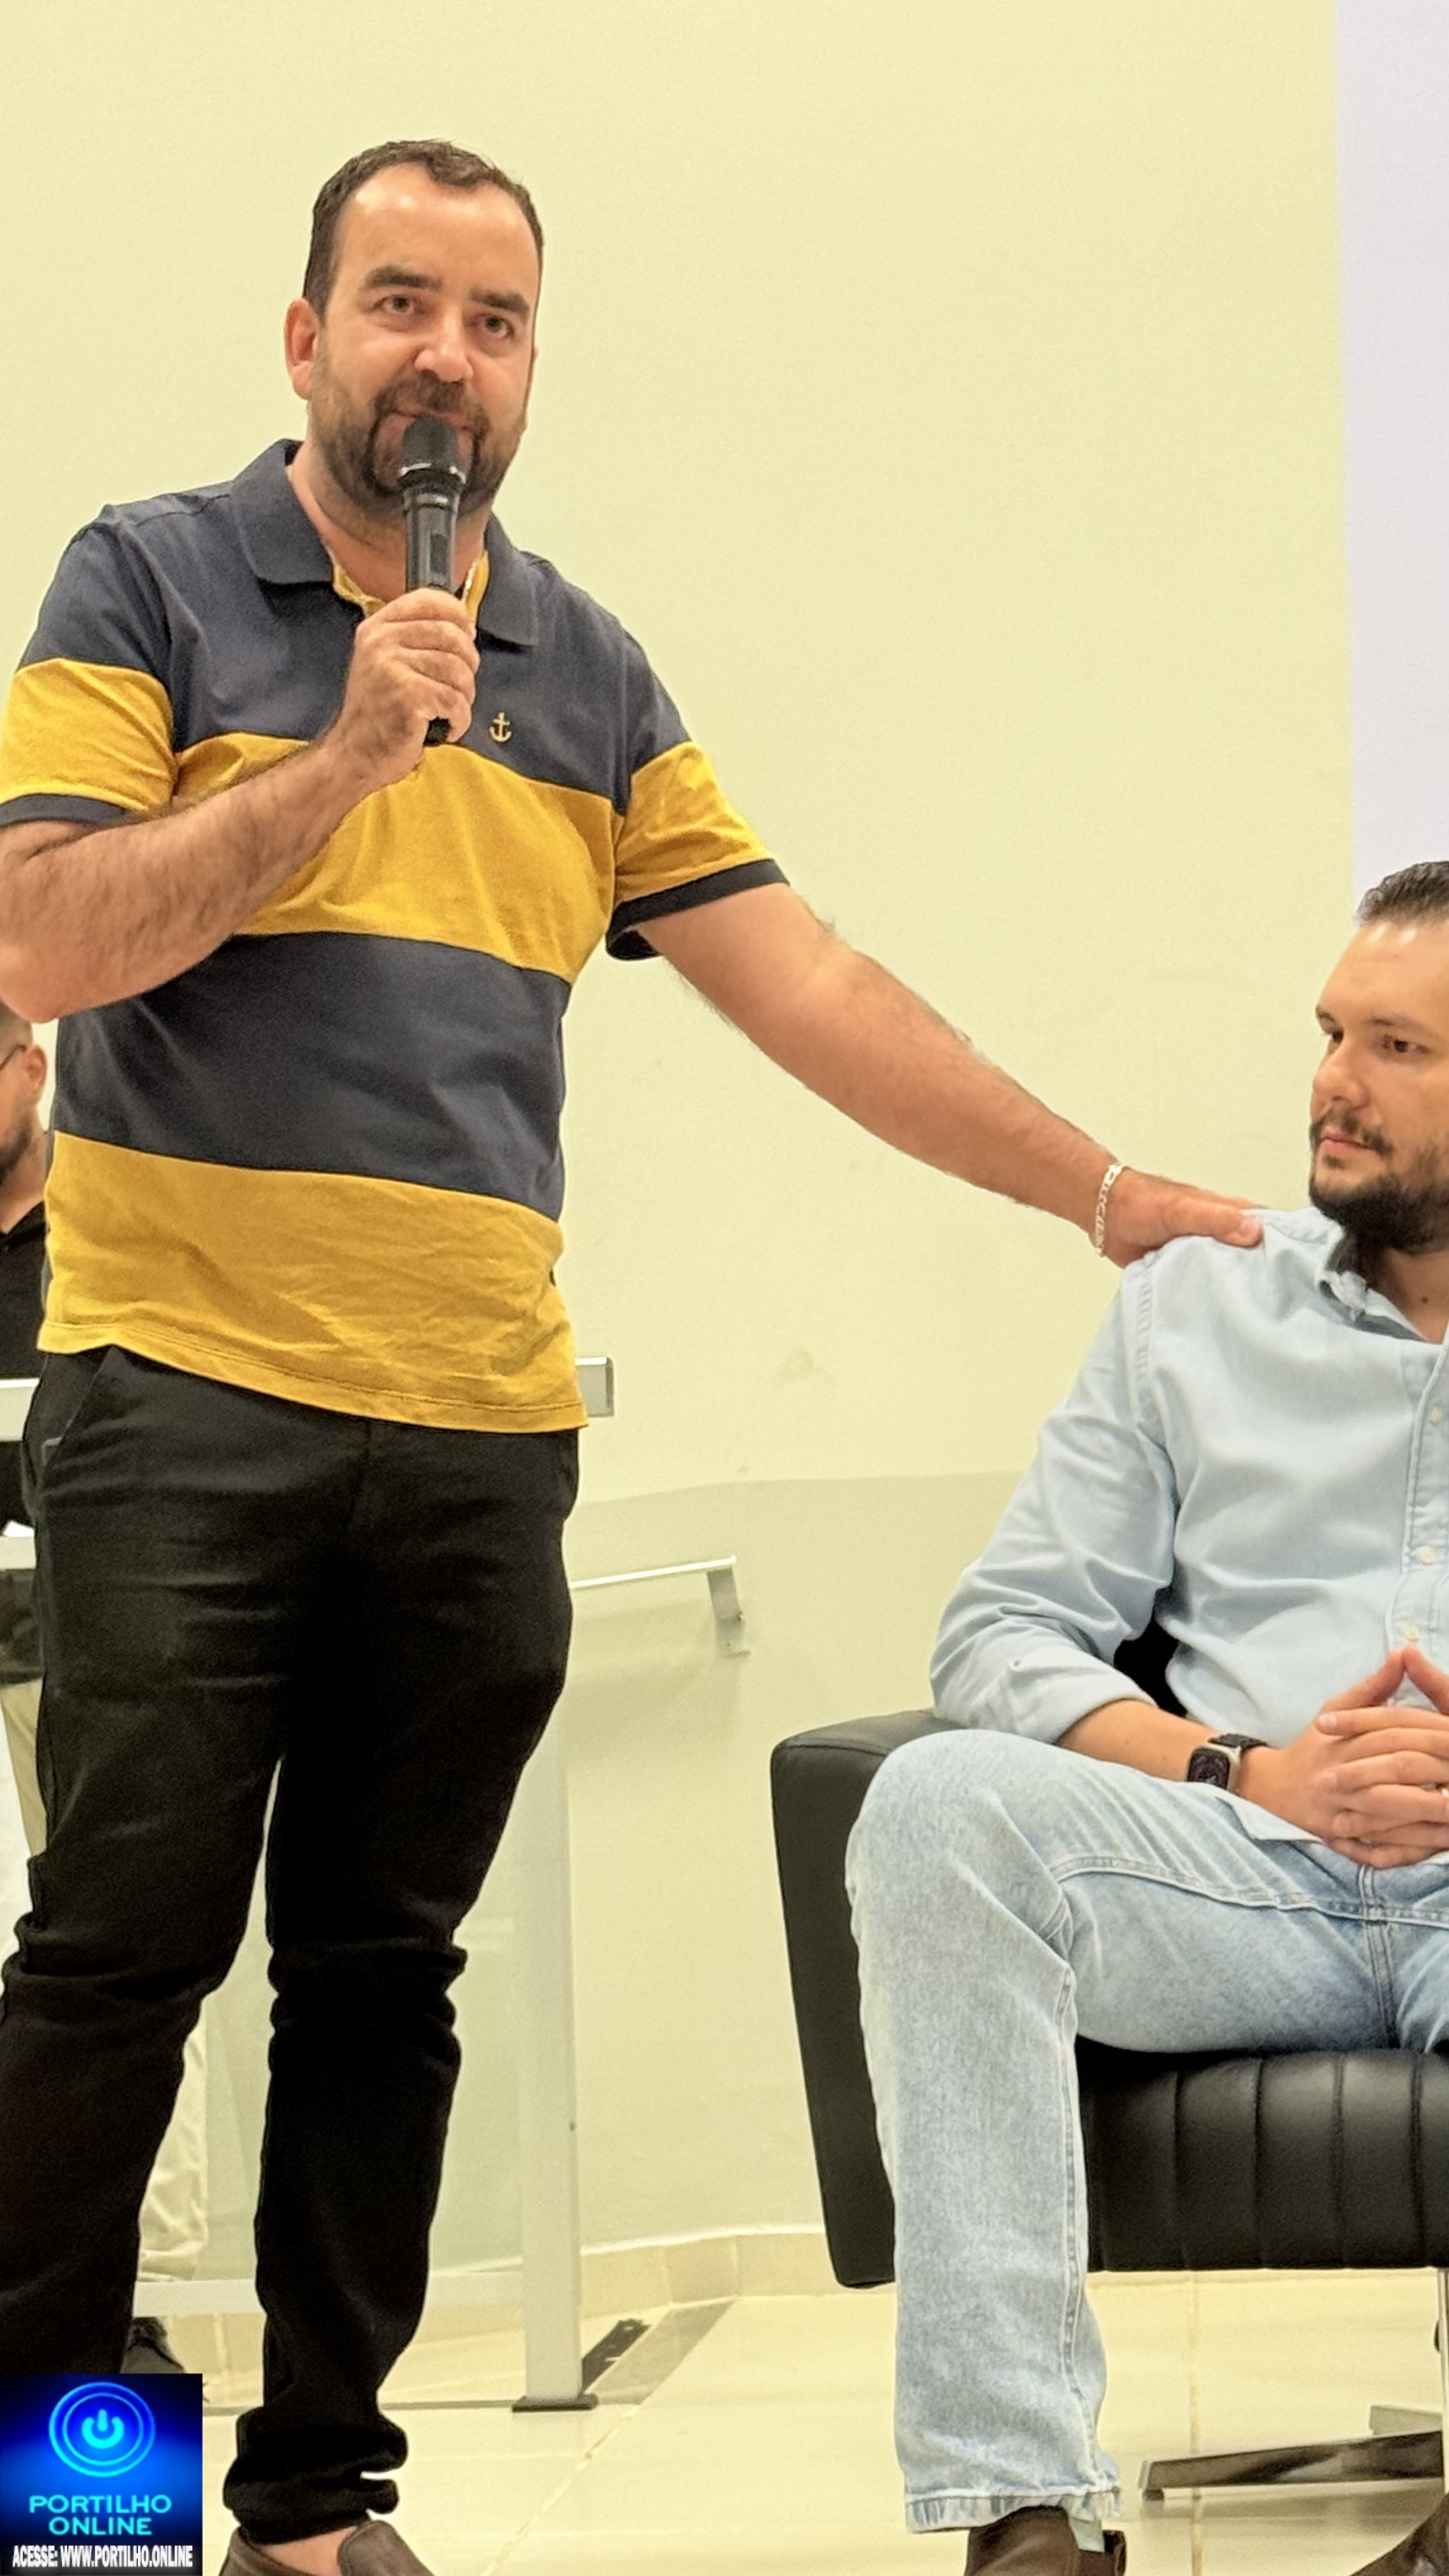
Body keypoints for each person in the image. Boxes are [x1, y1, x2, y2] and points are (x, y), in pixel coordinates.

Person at [0, 139, 1254, 2576]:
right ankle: (68, 2515)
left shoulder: (581, 667)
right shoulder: (142, 579)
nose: (446, 359)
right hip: (184, 1404)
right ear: (305, 338)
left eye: (494, 321)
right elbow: (46, 943)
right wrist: (341, 762)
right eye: (399, 303)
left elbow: (813, 984)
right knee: (117, 1962)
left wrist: (1095, 1190)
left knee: (383, 1980)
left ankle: (312, 2505)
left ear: (528, 368)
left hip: (477, 1434)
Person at [847, 855, 1449, 2576]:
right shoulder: (1197, 1302)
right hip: (1243, 1873)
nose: (1333, 1083)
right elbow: (1002, 1632)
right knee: (938, 1807)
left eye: (1396, 1047)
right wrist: (1249, 1771)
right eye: (1330, 1034)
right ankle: (1025, 2511)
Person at [0, 1004, 204, 2373]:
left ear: (31, 1066)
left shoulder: (119, 1208)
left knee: (115, 1985)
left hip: (93, 1653)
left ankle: (122, 2332)